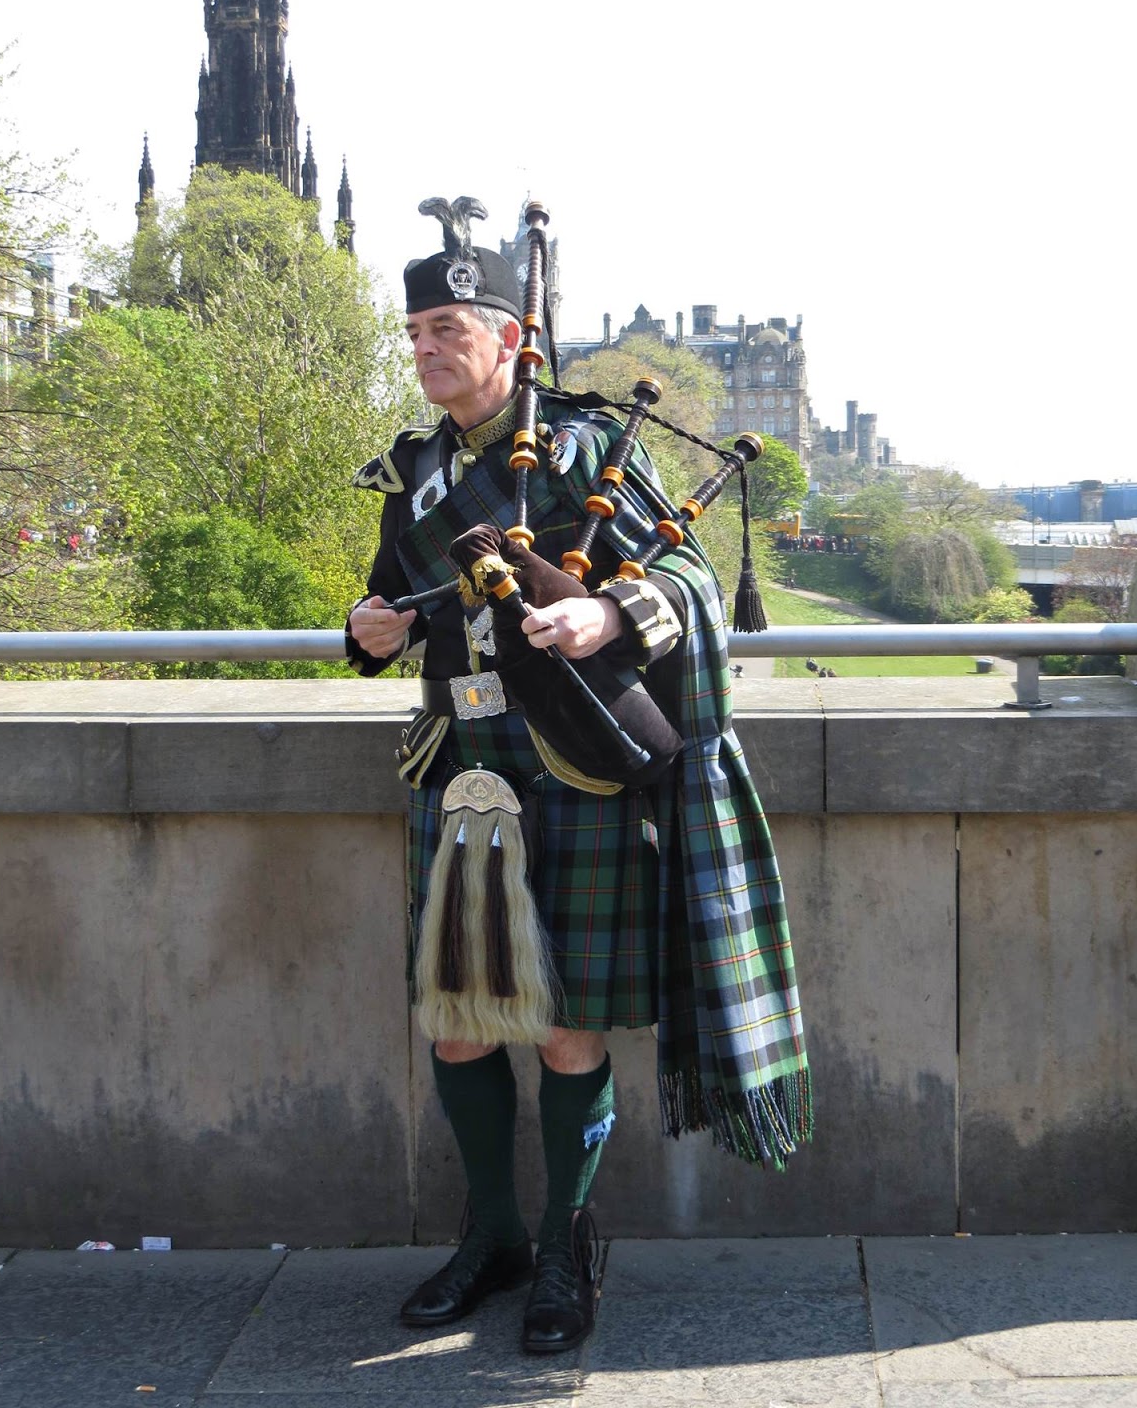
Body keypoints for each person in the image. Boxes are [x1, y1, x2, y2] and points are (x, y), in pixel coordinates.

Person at [346, 199, 810, 1356]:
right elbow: (386, 607)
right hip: (459, 767)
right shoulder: (411, 472)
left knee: (565, 1029)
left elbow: (692, 579)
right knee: (459, 1024)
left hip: (578, 767)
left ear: (513, 338)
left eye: (454, 324)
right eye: (417, 331)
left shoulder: (592, 450)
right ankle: (492, 1234)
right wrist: (368, 630)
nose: (429, 346)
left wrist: (608, 608)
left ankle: (565, 1240)